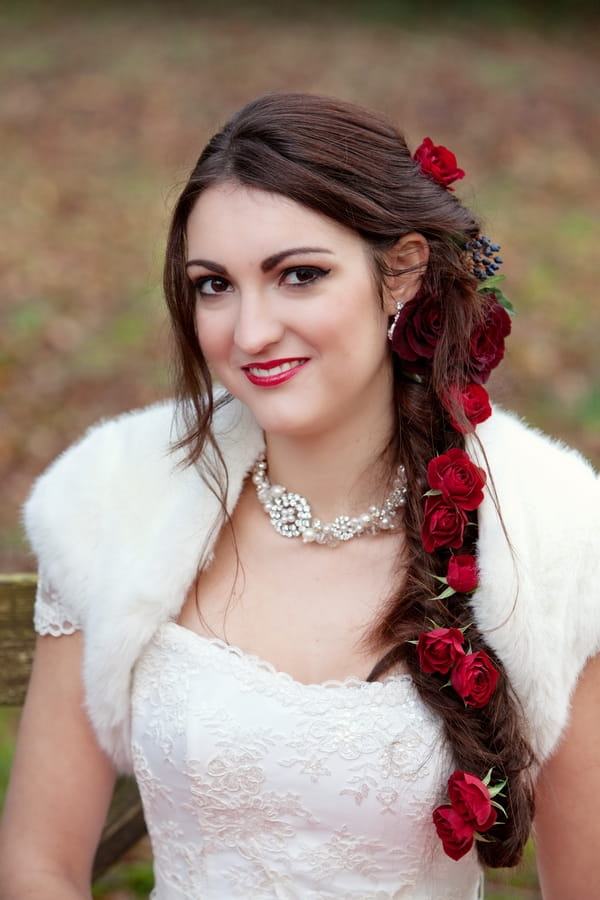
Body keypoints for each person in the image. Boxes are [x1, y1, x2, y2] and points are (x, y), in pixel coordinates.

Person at [0, 92, 598, 900]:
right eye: (214, 286)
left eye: (299, 276)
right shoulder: (114, 500)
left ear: (401, 273)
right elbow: (38, 868)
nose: (248, 333)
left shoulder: (550, 526)